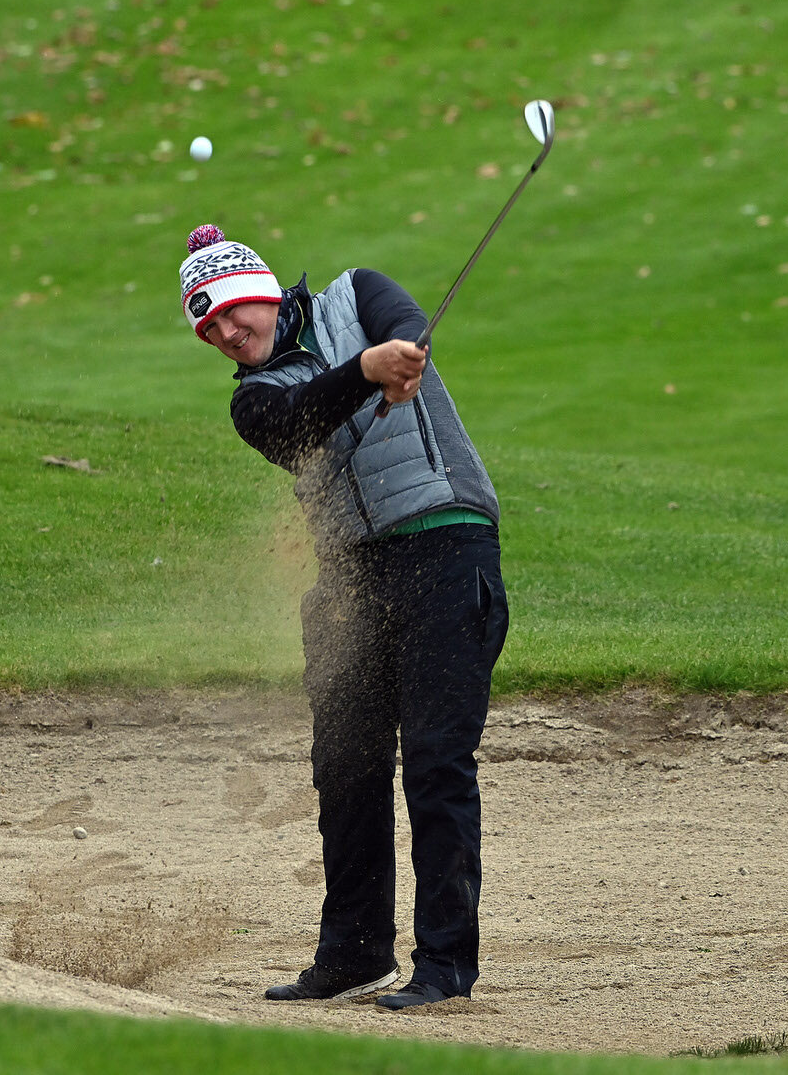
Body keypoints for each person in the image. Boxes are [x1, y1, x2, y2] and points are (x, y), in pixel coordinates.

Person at [177, 224, 509, 1010]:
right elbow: (300, 419)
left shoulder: (354, 292)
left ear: (259, 290)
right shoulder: (252, 401)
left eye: (231, 311)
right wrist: (366, 372)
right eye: (209, 329)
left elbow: (404, 325)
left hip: (446, 542)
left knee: (435, 760)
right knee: (346, 764)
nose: (228, 333)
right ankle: (356, 952)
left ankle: (445, 968)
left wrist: (395, 356)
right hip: (351, 579)